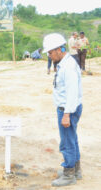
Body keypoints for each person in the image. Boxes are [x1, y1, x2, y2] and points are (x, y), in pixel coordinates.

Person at [43, 33, 83, 187]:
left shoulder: (68, 66)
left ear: (59, 50)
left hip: (68, 109)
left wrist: (66, 114)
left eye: (51, 52)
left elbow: (72, 92)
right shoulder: (64, 64)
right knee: (72, 139)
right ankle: (76, 170)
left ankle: (69, 174)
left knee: (67, 142)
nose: (49, 55)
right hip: (68, 108)